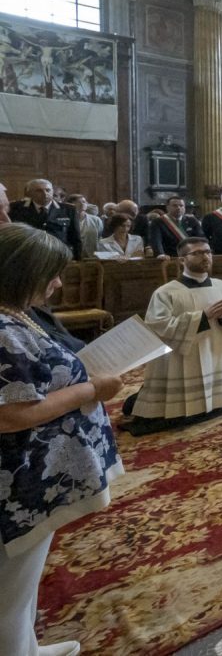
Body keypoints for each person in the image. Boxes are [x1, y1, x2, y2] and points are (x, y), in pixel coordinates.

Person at [0, 224, 123, 656]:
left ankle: (27, 648)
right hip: (18, 479)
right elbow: (10, 414)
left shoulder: (14, 314)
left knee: (21, 584)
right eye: (51, 274)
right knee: (8, 597)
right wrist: (90, 391)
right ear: (21, 273)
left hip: (33, 473)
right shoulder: (2, 328)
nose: (57, 284)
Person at [123, 237, 222, 434]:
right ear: (182, 260)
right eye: (197, 253)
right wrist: (202, 317)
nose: (205, 256)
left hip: (214, 351)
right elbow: (158, 325)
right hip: (178, 360)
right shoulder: (166, 293)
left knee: (216, 403)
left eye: (208, 252)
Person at [9, 178, 81, 258]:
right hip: (28, 257)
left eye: (48, 190)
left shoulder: (68, 210)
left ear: (52, 191)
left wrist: (77, 260)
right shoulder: (16, 208)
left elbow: (75, 238)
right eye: (39, 191)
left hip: (58, 256)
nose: (45, 194)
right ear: (29, 193)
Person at [66, 194, 102, 260]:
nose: (82, 204)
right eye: (78, 202)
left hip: (92, 256)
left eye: (84, 202)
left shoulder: (96, 220)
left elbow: (99, 236)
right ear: (71, 204)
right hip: (72, 256)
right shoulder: (66, 219)